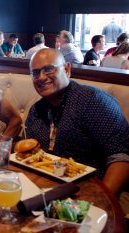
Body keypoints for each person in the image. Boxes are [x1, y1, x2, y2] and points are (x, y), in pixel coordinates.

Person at [27, 48, 129, 195]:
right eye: (35, 73)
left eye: (48, 69)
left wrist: (101, 201)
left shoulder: (93, 101)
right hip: (49, 191)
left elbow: (121, 157)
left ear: (67, 69)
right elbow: (32, 157)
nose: (41, 77)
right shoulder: (35, 112)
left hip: (98, 191)